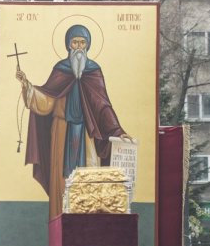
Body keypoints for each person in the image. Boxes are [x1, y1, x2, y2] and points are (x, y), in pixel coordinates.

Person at [16, 23, 133, 219]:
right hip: (61, 130)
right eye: (75, 42)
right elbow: (48, 100)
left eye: (82, 43)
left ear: (88, 46)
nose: (78, 47)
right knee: (60, 178)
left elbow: (103, 105)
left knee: (89, 174)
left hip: (87, 133)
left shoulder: (94, 71)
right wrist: (27, 85)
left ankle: (88, 224)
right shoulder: (60, 70)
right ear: (68, 45)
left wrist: (117, 131)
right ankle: (59, 221)